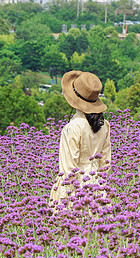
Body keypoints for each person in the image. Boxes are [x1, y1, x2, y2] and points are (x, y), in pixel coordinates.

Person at [50, 71, 112, 210]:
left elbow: (68, 168)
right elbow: (106, 164)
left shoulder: (72, 128)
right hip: (97, 184)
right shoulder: (104, 125)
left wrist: (69, 197)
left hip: (77, 185)